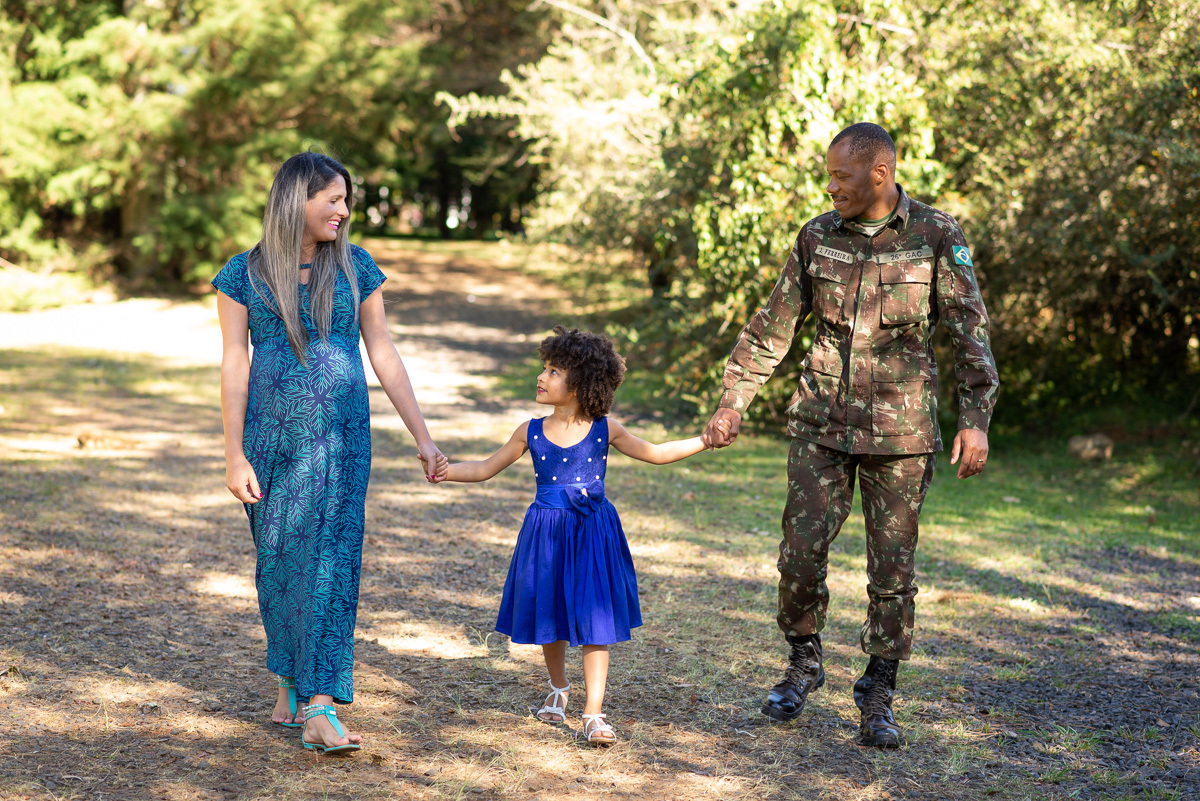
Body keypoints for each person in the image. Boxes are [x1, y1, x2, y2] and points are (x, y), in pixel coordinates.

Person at [702, 123, 999, 748]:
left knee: (892, 572)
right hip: (821, 424)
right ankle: (803, 661)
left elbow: (969, 330)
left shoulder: (936, 235)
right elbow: (773, 326)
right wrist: (733, 401)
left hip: (902, 434)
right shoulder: (817, 236)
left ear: (880, 173)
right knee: (799, 554)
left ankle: (878, 690)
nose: (831, 186)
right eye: (829, 175)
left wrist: (975, 420)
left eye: (841, 176)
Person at [213, 152, 447, 754]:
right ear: (298, 199)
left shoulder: (355, 266)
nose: (343, 210)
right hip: (270, 439)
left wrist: (423, 437)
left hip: (341, 439)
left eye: (346, 199)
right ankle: (290, 683)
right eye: (333, 199)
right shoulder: (242, 274)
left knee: (330, 562)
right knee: (279, 560)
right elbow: (235, 363)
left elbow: (383, 352)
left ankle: (320, 705)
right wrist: (234, 454)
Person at [428, 326, 710, 746]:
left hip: (592, 533)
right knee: (552, 612)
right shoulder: (529, 431)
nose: (541, 377)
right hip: (546, 534)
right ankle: (559, 687)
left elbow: (656, 453)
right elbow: (486, 468)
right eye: (544, 368)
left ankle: (593, 713)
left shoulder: (605, 429)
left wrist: (705, 440)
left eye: (553, 371)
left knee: (596, 622)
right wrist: (446, 471)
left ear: (580, 382)